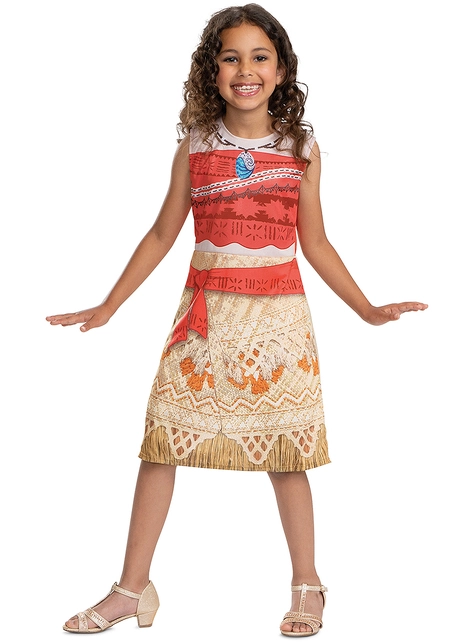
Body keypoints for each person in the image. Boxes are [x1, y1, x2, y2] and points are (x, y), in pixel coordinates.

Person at [46, 3, 428, 637]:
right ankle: (131, 589)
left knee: (286, 452)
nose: (245, 70)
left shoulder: (301, 150)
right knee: (160, 445)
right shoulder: (195, 147)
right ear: (212, 70)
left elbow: (316, 242)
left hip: (277, 322)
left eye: (259, 57)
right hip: (203, 320)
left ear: (281, 71)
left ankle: (308, 584)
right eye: (231, 58)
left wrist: (366, 309)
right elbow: (163, 233)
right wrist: (109, 306)